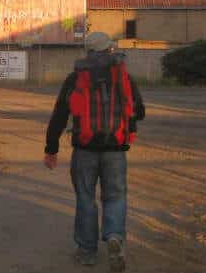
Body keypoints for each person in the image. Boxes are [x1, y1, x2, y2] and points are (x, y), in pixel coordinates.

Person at [44, 31, 145, 272]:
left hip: (84, 150)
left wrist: (51, 148)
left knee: (86, 198)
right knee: (115, 196)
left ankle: (87, 252)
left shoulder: (75, 78)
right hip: (115, 150)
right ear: (109, 49)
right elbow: (139, 111)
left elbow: (59, 115)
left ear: (88, 52)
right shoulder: (123, 77)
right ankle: (114, 237)